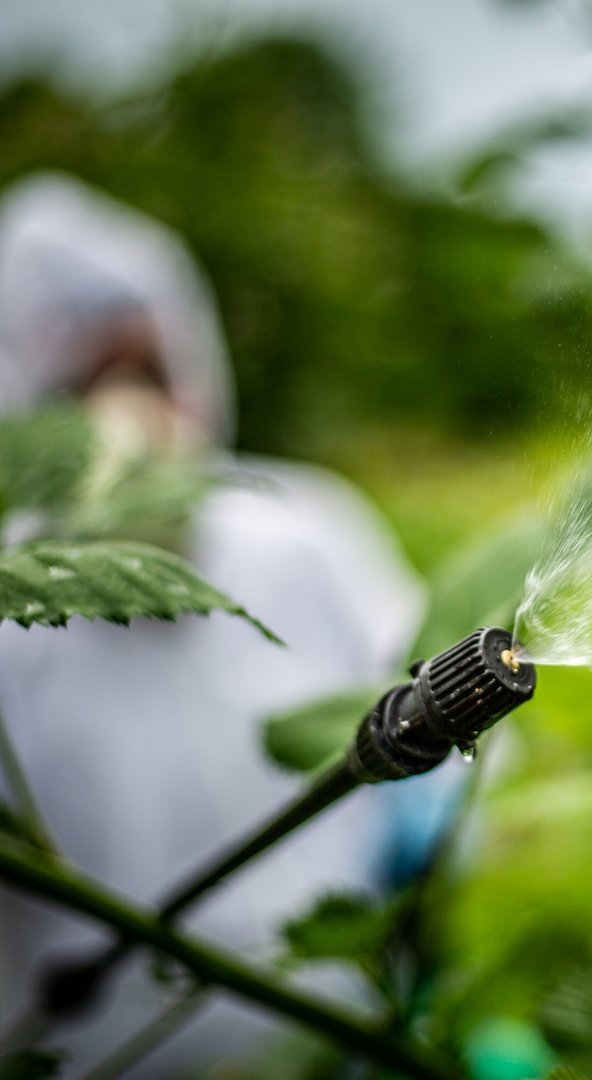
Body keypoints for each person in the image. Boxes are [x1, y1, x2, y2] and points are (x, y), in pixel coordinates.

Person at [0, 172, 435, 1074]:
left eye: (150, 369)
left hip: (332, 1043)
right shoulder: (10, 607)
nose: (126, 417)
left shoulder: (304, 529)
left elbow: (418, 718)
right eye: (83, 380)